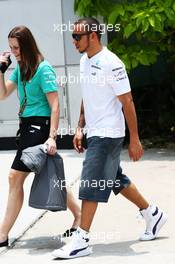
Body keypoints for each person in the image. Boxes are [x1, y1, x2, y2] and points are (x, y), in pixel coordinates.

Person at [52, 17, 167, 259]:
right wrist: (80, 126)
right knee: (114, 179)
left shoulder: (111, 63)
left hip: (109, 133)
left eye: (77, 37)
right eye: (72, 36)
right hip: (94, 132)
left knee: (90, 181)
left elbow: (127, 101)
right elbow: (87, 95)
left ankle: (82, 238)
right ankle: (152, 213)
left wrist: (135, 139)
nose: (73, 41)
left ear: (93, 35)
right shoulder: (84, 61)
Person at [0, 25, 81, 247]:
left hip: (40, 127)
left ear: (26, 45)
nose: (13, 51)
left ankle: (2, 234)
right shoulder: (20, 68)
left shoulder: (43, 69)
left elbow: (55, 105)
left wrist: (52, 136)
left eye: (16, 47)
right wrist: (1, 70)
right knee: (50, 176)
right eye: (10, 48)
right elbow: (3, 94)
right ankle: (80, 216)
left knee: (14, 177)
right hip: (26, 127)